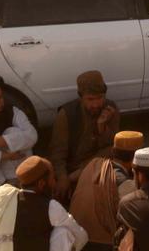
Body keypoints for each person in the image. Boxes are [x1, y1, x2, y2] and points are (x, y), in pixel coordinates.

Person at [69, 130, 144, 251]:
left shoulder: (93, 165)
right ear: (135, 159)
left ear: (113, 151)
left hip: (76, 243)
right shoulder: (125, 184)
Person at [48, 70, 120, 200]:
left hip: (97, 164)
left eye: (100, 98)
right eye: (90, 99)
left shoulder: (110, 109)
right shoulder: (66, 114)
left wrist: (101, 126)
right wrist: (63, 178)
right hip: (72, 166)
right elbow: (58, 153)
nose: (96, 104)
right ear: (81, 98)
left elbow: (112, 145)